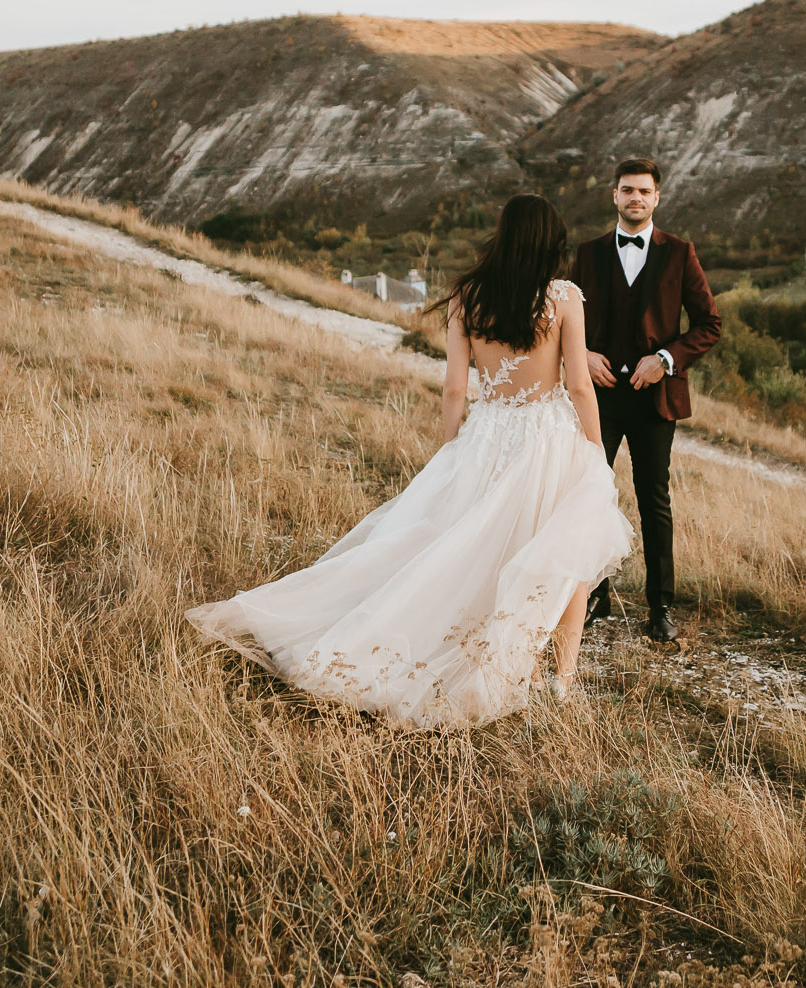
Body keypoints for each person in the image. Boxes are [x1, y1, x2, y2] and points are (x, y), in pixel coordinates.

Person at [186, 194, 631, 728]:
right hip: (546, 438)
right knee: (562, 555)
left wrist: (453, 448)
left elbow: (453, 389)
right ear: (549, 240)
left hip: (487, 436)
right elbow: (579, 384)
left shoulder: (469, 297)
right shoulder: (563, 299)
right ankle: (561, 680)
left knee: (469, 548)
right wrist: (594, 451)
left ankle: (510, 665)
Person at [571, 157, 723, 642]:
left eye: (643, 191)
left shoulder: (680, 253)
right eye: (626, 190)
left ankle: (660, 606)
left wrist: (665, 358)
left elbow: (709, 325)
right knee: (590, 494)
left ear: (657, 198)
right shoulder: (588, 254)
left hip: (656, 401)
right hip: (598, 397)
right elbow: (564, 320)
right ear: (613, 196)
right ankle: (594, 596)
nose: (635, 198)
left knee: (654, 499)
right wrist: (585, 354)